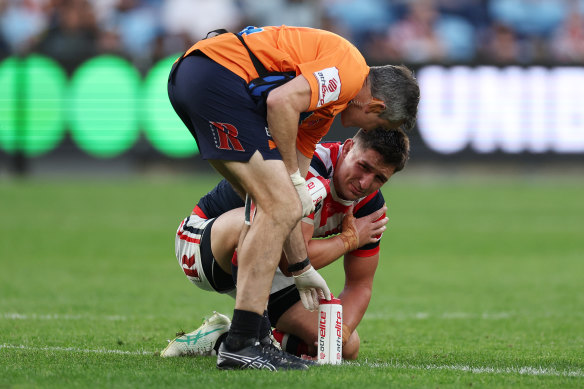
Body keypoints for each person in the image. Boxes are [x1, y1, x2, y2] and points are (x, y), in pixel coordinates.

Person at [167, 24, 419, 370]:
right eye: (377, 128)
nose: (366, 132)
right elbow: (280, 100)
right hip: (217, 76)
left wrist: (301, 268)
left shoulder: (322, 111)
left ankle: (240, 338)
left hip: (205, 75)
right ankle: (243, 343)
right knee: (279, 202)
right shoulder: (350, 70)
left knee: (273, 204)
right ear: (376, 106)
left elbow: (291, 176)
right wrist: (301, 194)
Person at [161, 127, 409, 361]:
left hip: (266, 261)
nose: (365, 183)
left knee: (345, 346)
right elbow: (291, 261)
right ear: (347, 148)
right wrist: (349, 240)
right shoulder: (309, 166)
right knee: (261, 222)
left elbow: (360, 285)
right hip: (204, 245)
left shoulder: (369, 206)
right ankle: (250, 340)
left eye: (379, 178)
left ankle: (221, 338)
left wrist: (339, 333)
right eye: (363, 166)